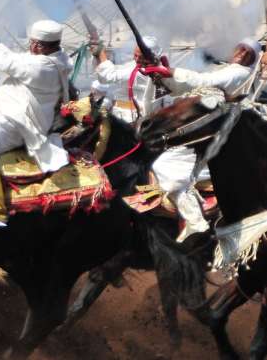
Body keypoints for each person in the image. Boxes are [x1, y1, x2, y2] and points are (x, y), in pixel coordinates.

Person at [141, 38, 260, 241]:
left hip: (218, 135)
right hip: (209, 129)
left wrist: (171, 73)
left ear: (252, 59)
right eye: (240, 48)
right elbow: (190, 90)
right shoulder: (228, 71)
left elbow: (203, 83)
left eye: (248, 52)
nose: (241, 52)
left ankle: (196, 223)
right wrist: (165, 75)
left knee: (165, 167)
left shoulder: (238, 72)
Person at [0, 19, 71, 233]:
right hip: (9, 118)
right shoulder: (49, 59)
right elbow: (10, 56)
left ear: (38, 46)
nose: (29, 47)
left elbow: (9, 63)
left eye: (32, 43)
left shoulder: (43, 67)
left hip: (18, 124)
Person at [93, 35, 163, 123]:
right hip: (129, 115)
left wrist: (101, 53)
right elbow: (119, 68)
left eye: (140, 57)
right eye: (135, 55)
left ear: (150, 57)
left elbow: (107, 76)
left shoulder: (143, 72)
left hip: (130, 118)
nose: (136, 59)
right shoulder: (150, 66)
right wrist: (103, 56)